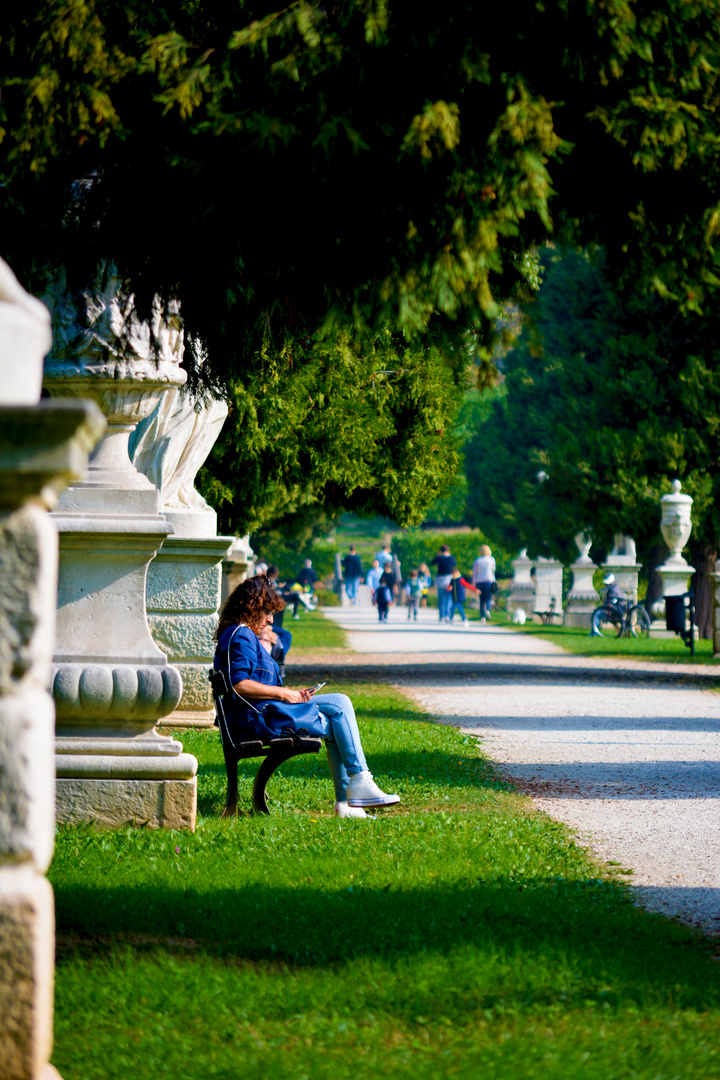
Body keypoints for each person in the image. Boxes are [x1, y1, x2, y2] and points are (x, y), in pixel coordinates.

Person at [214, 575, 400, 817]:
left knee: (336, 720)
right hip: (259, 719)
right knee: (340, 703)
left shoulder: (238, 633)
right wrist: (284, 693)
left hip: (258, 714)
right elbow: (240, 684)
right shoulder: (241, 635)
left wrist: (291, 695)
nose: (271, 620)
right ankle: (358, 784)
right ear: (252, 607)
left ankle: (348, 800)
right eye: (268, 612)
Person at [430, 544, 456, 622]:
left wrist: (438, 555)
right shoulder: (452, 558)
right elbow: (454, 565)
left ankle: (441, 615)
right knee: (448, 598)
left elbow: (432, 563)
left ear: (441, 551)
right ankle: (447, 615)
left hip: (440, 579)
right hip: (449, 579)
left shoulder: (439, 558)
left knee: (441, 598)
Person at [472, 544, 496, 623]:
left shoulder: (477, 560)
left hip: (479, 581)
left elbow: (475, 573)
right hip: (488, 580)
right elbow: (493, 570)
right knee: (488, 598)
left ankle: (482, 617)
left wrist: (474, 583)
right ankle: (488, 610)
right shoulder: (491, 559)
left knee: (482, 600)